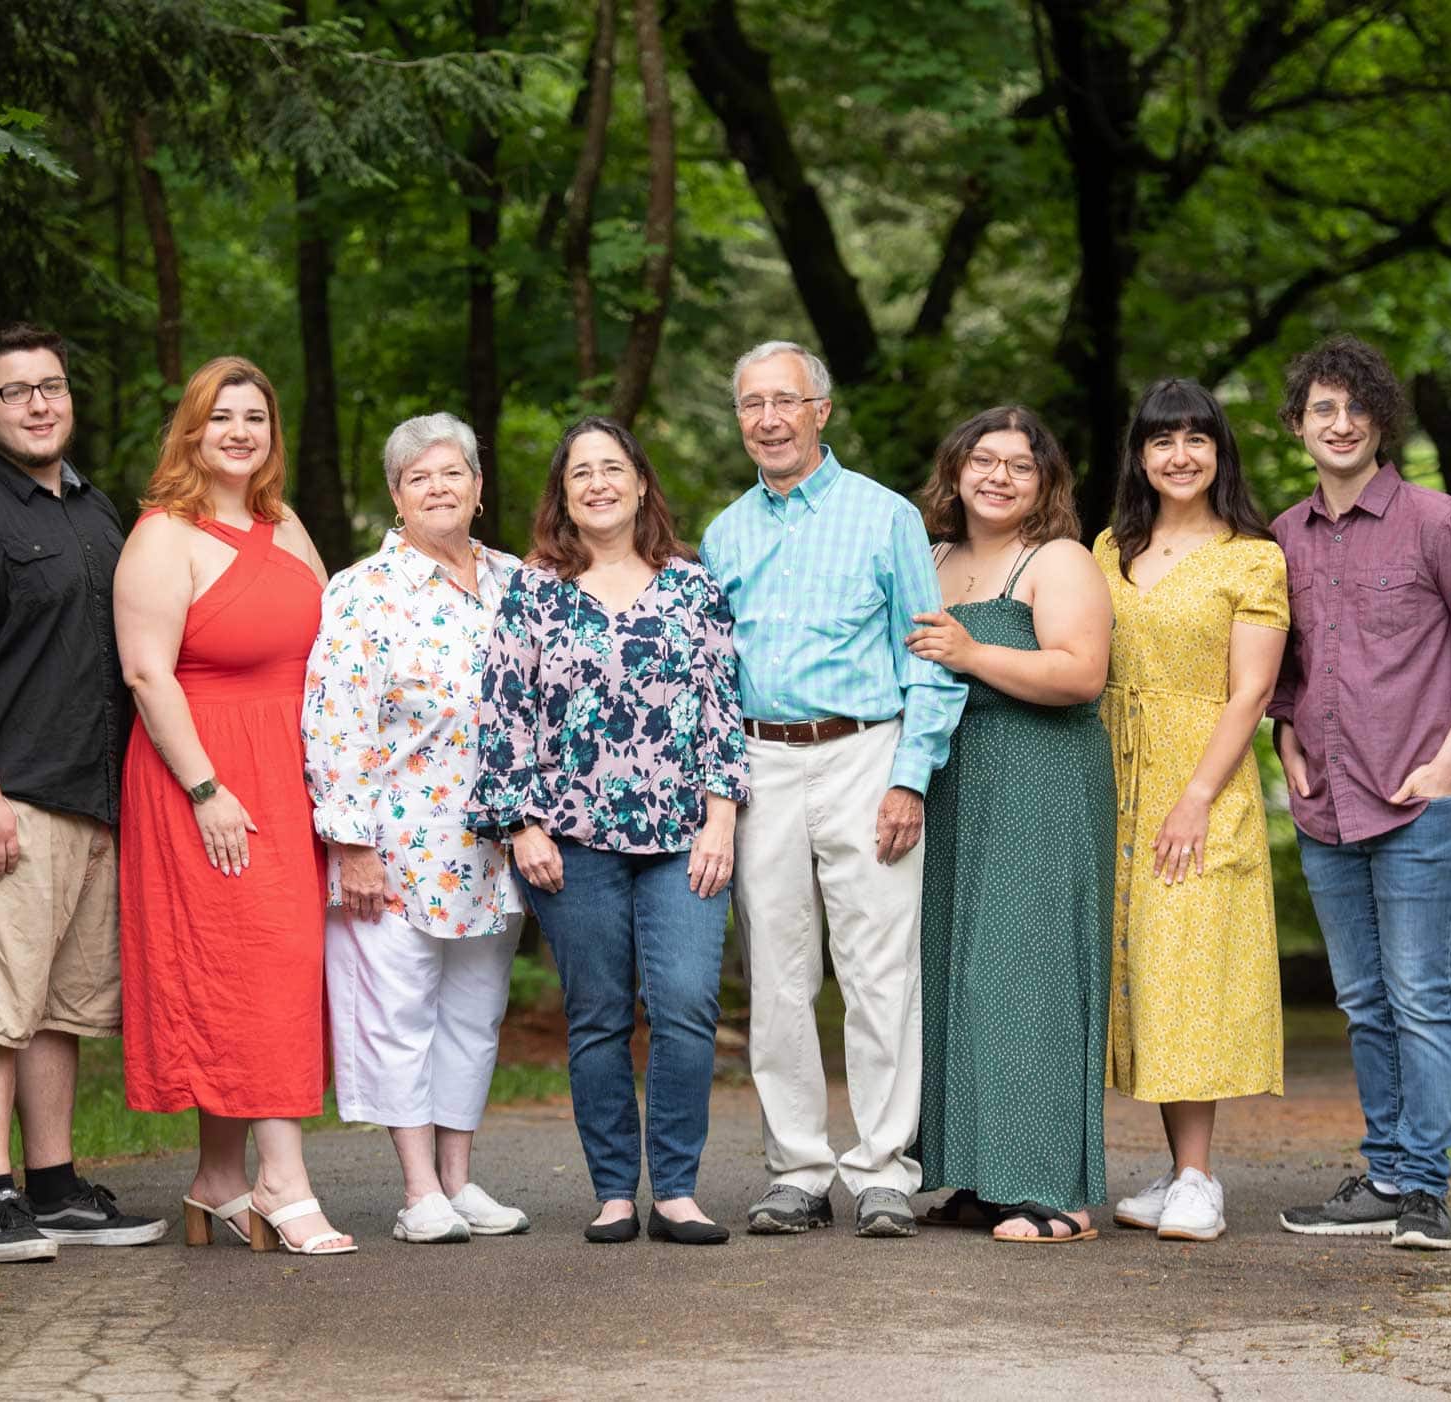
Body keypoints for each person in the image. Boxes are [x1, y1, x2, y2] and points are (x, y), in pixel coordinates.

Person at [0, 322, 165, 1262]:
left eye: (51, 386)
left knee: (62, 1007)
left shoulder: (99, 515)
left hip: (88, 800)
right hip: (1, 802)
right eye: (16, 391)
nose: (39, 404)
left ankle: (53, 1187)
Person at [699, 340, 967, 1239]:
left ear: (822, 410)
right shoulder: (724, 533)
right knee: (775, 977)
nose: (767, 419)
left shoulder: (885, 517)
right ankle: (799, 1170)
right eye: (750, 404)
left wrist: (910, 778)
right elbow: (711, 680)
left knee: (879, 971)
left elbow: (929, 658)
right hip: (760, 763)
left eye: (785, 400)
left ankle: (884, 1168)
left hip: (866, 753)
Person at [468, 417, 750, 1247]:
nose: (597, 483)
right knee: (596, 1015)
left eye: (612, 468)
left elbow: (722, 709)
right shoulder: (532, 591)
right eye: (579, 472)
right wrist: (520, 825)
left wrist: (721, 817)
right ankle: (614, 1193)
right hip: (572, 841)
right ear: (562, 493)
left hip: (681, 835)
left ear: (639, 483)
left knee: (687, 1003)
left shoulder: (692, 587)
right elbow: (504, 714)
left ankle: (678, 1191)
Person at [1270, 335, 1451, 1252]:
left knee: (1419, 994)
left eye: (1355, 408)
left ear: (1381, 421)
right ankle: (1384, 1172)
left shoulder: (1443, 524)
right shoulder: (1282, 539)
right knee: (1363, 1001)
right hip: (1327, 805)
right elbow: (1284, 665)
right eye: (1321, 410)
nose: (1340, 425)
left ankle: (1425, 1187)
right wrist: (1287, 735)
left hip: (1424, 800)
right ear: (1298, 427)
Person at [114, 357, 350, 1256]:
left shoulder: (283, 523)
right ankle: (283, 1185)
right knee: (252, 965)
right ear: (192, 432)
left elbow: (336, 641)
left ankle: (219, 1180)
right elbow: (145, 671)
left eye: (256, 416)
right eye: (222, 418)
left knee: (266, 964)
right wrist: (206, 786)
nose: (241, 432)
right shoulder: (162, 537)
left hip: (287, 769)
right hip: (202, 772)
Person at [303, 413, 531, 1246]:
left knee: (475, 1012)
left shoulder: (519, 582)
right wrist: (351, 842)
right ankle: (416, 1190)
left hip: (499, 848)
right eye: (418, 478)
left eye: (452, 474)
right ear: (397, 498)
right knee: (399, 1013)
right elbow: (335, 721)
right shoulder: (364, 589)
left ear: (478, 487)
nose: (438, 489)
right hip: (398, 844)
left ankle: (461, 1180)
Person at [904, 407, 1114, 1244]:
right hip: (950, 780)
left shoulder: (1057, 558)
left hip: (1041, 775)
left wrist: (972, 655)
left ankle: (1053, 1189)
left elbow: (1081, 673)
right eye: (983, 460)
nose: (998, 476)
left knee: (1032, 974)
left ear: (1045, 482)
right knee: (955, 970)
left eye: (1019, 466)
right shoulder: (932, 558)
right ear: (955, 471)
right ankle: (978, 1175)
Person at [1093, 377, 1289, 1245]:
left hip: (1197, 778)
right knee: (1130, 975)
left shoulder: (1254, 556)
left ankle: (1201, 1180)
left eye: (1196, 439)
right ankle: (1175, 1172)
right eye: (1162, 439)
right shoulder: (1108, 548)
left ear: (1220, 453)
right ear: (1140, 455)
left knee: (1188, 976)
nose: (1180, 455)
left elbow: (1251, 691)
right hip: (1110, 773)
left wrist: (1197, 798)